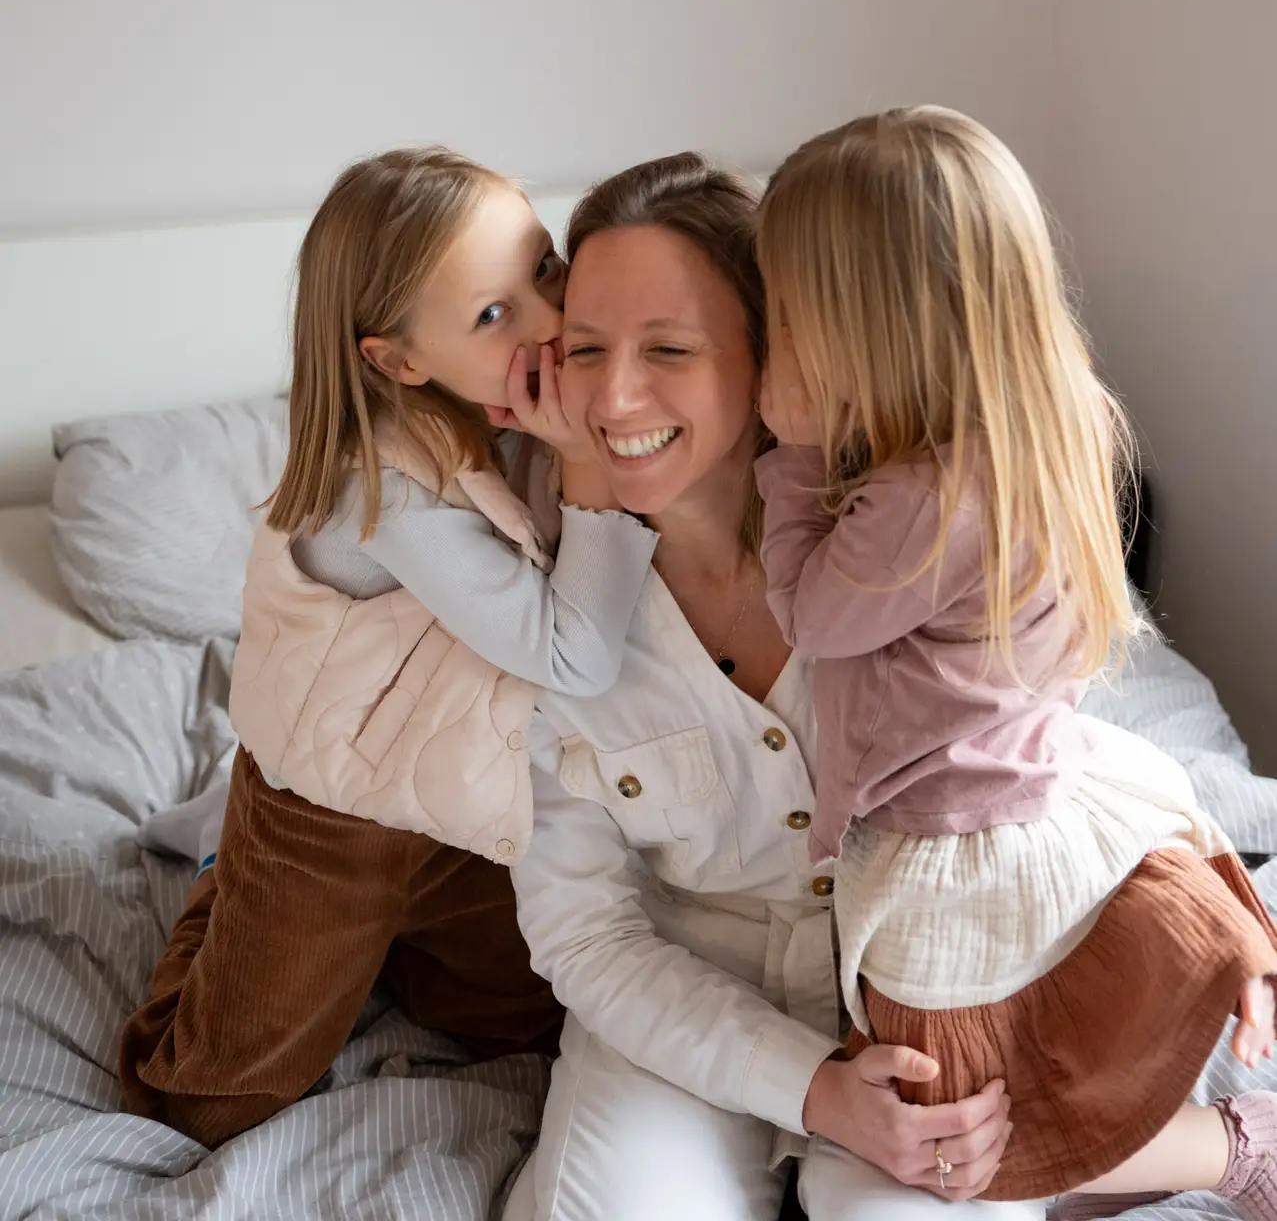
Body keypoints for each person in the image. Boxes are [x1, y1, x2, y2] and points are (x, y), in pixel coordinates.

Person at [753, 106, 1277, 1212]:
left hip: (951, 835)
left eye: (787, 315)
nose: (774, 339)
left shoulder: (919, 502)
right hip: (1036, 776)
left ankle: (1224, 1147)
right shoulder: (1053, 420)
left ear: (867, 328)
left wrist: (793, 453)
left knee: (973, 1130)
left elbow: (807, 613)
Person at [507, 153, 1031, 1221]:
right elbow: (583, 933)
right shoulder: (525, 602)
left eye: (669, 349)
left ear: (770, 354)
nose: (614, 397)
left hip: (912, 993)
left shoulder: (909, 544)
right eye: (586, 350)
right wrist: (802, 1088)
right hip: (679, 1009)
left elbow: (1042, 767)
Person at [120, 146, 657, 1149]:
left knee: (521, 1021)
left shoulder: (507, 407)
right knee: (208, 1100)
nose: (548, 321)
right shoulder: (386, 494)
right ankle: (221, 883)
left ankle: (388, 947)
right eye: (493, 316)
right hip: (332, 818)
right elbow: (573, 652)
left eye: (543, 270)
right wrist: (584, 457)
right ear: (396, 362)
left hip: (461, 804)